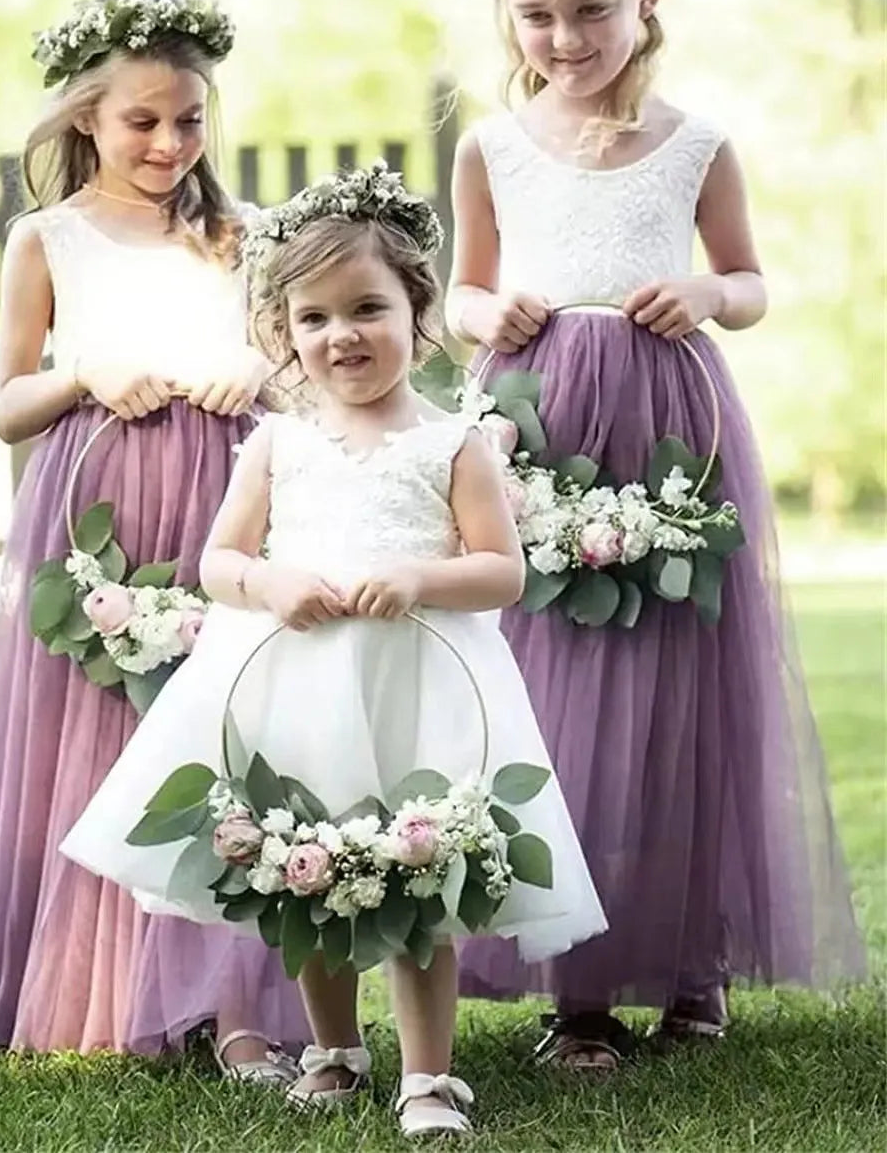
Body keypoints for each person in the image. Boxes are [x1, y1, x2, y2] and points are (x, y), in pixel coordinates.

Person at [61, 167, 606, 1139]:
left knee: (415, 870)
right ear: (285, 332)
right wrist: (269, 583)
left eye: (368, 309)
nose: (341, 335)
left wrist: (415, 580)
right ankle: (335, 1049)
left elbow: (500, 572)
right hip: (299, 681)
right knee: (306, 865)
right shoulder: (277, 443)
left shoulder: (455, 443)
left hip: (419, 685)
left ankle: (430, 1077)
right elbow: (221, 560)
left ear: (418, 308)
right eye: (314, 319)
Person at [448, 0, 864, 1068]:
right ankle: (570, 987)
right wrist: (490, 317)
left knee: (679, 703)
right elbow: (459, 292)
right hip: (533, 426)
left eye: (591, 9)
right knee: (553, 699)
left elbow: (750, 281)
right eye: (537, 15)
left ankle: (692, 966)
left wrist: (702, 290)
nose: (564, 38)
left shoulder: (697, 145)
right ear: (507, 11)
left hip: (668, 428)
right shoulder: (491, 147)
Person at [0, 0, 308, 1075]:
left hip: (223, 502)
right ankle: (103, 992)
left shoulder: (242, 237)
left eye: (188, 119)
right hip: (95, 509)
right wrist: (82, 372)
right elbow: (7, 403)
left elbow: (307, 376)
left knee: (227, 736)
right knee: (96, 741)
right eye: (141, 120)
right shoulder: (47, 239)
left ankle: (238, 1007)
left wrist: (262, 370)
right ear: (86, 122)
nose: (167, 142)